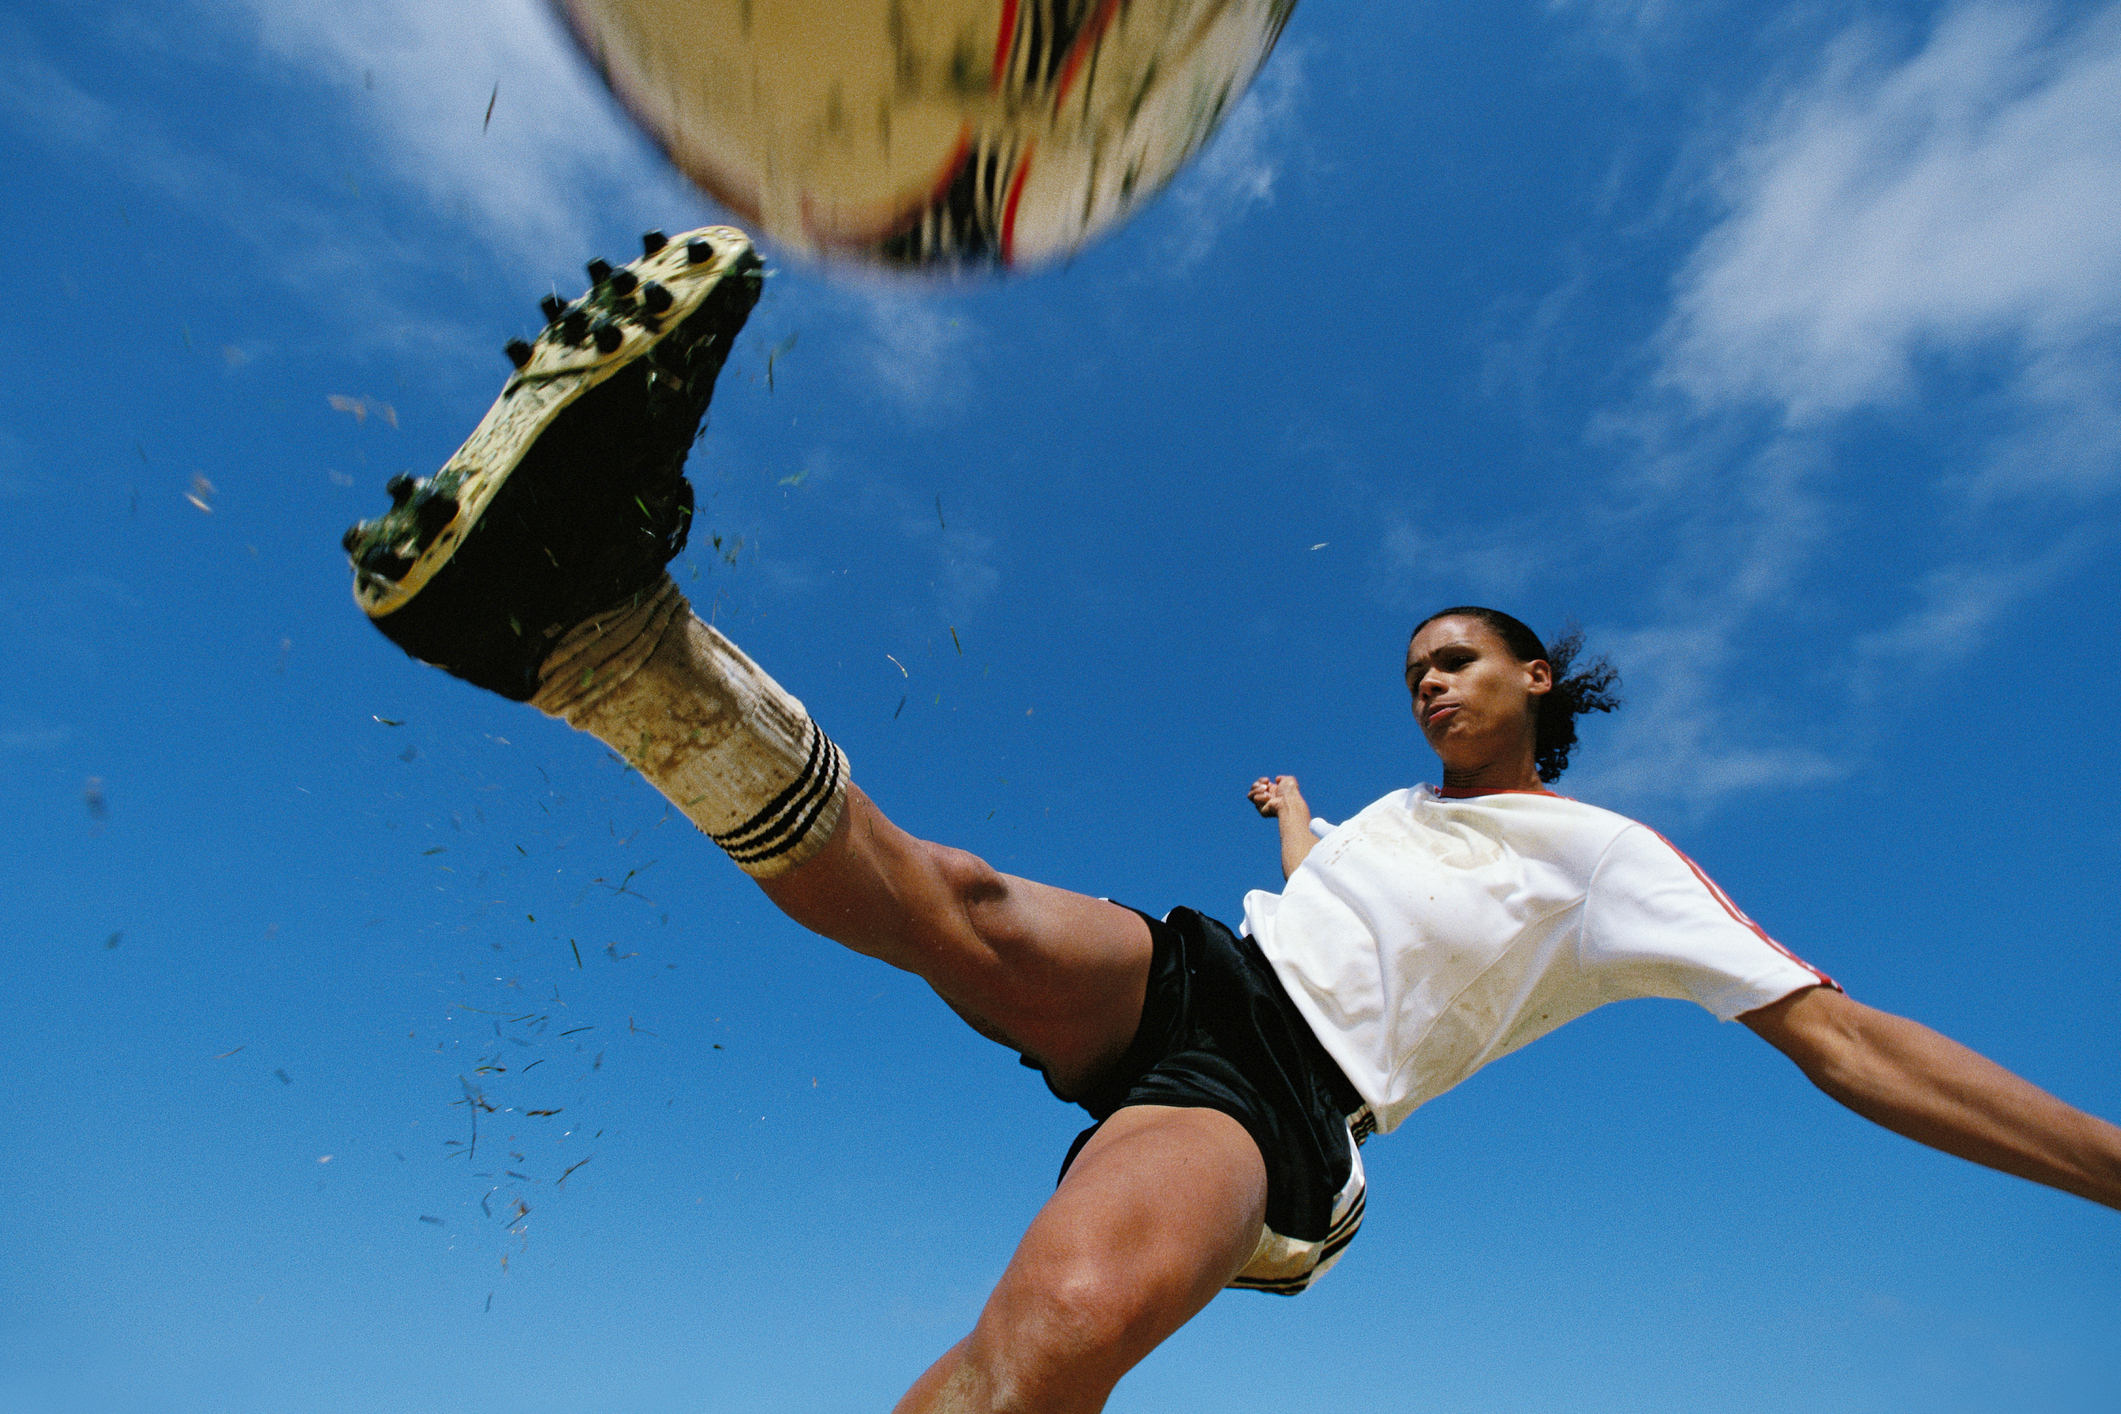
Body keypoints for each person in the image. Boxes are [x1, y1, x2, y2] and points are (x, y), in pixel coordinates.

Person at [344, 226, 2121, 1414]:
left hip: (1280, 1093)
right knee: (952, 895)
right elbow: (1334, 896)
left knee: (1045, 1343)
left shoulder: (1609, 864)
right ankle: (603, 636)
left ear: (1538, 691)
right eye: (1411, 664)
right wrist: (1293, 817)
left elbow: (1850, 1039)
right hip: (1200, 969)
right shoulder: (1376, 831)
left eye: (1461, 661)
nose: (1426, 681)